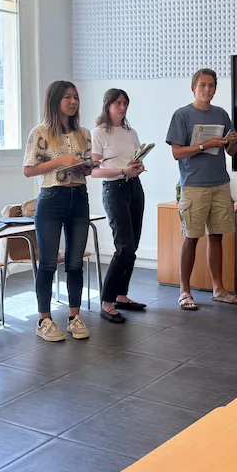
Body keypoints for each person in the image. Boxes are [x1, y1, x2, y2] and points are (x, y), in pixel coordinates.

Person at [22, 80, 93, 342]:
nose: (73, 102)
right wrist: (61, 161)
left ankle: (75, 316)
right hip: (52, 198)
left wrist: (86, 167)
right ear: (55, 101)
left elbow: (89, 167)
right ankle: (45, 320)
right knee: (49, 263)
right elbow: (28, 169)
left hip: (79, 197)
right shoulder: (40, 132)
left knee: (75, 262)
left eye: (75, 97)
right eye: (67, 97)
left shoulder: (84, 133)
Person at [166, 68, 237, 310]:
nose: (207, 89)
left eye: (211, 85)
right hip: (194, 185)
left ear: (215, 89)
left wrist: (233, 142)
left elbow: (230, 152)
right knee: (191, 237)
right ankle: (184, 291)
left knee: (217, 236)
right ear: (193, 88)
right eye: (203, 85)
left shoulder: (221, 114)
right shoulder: (182, 115)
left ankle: (218, 289)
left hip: (220, 183)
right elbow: (177, 152)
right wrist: (203, 145)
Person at [91, 89, 147, 324]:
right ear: (108, 105)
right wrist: (122, 170)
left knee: (132, 245)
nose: (122, 107)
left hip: (134, 186)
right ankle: (106, 300)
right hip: (114, 189)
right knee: (123, 246)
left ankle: (122, 295)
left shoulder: (130, 131)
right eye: (118, 103)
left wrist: (137, 165)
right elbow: (94, 171)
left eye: (125, 103)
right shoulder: (98, 133)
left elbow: (134, 158)